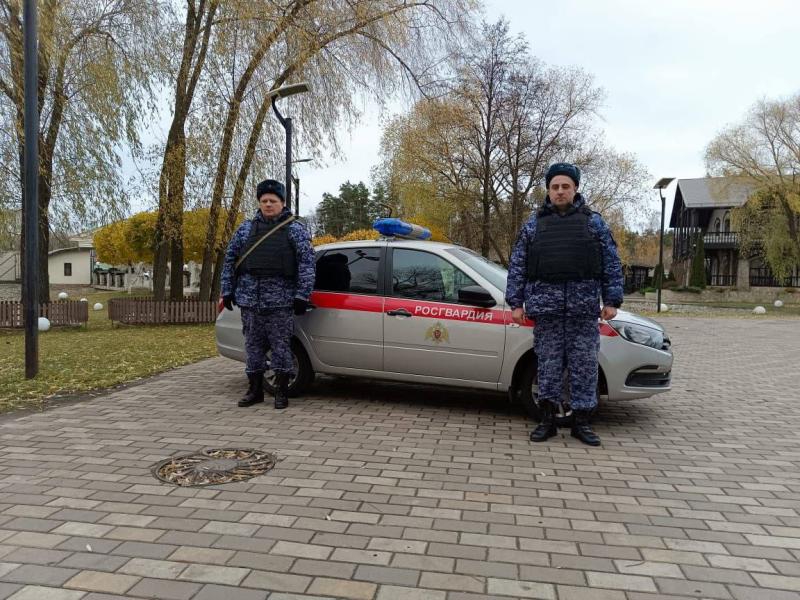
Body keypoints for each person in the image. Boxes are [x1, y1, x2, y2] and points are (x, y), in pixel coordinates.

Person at [506, 163, 623, 446]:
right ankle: (547, 420)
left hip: (583, 310)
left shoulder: (594, 223)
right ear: (548, 190)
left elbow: (611, 263)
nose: (560, 191)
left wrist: (612, 300)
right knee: (548, 366)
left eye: (565, 186)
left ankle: (581, 423)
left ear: (575, 188)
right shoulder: (533, 225)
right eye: (555, 187)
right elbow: (518, 265)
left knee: (584, 366)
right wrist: (516, 303)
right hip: (547, 311)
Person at [220, 179, 315, 409]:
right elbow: (230, 260)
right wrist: (227, 290)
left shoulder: (295, 230)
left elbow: (307, 264)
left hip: (280, 302)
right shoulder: (245, 229)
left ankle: (281, 391)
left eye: (273, 201)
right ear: (259, 203)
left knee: (281, 347)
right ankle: (254, 390)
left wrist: (302, 295)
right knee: (253, 347)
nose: (268, 205)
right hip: (250, 301)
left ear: (282, 202)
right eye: (264, 201)